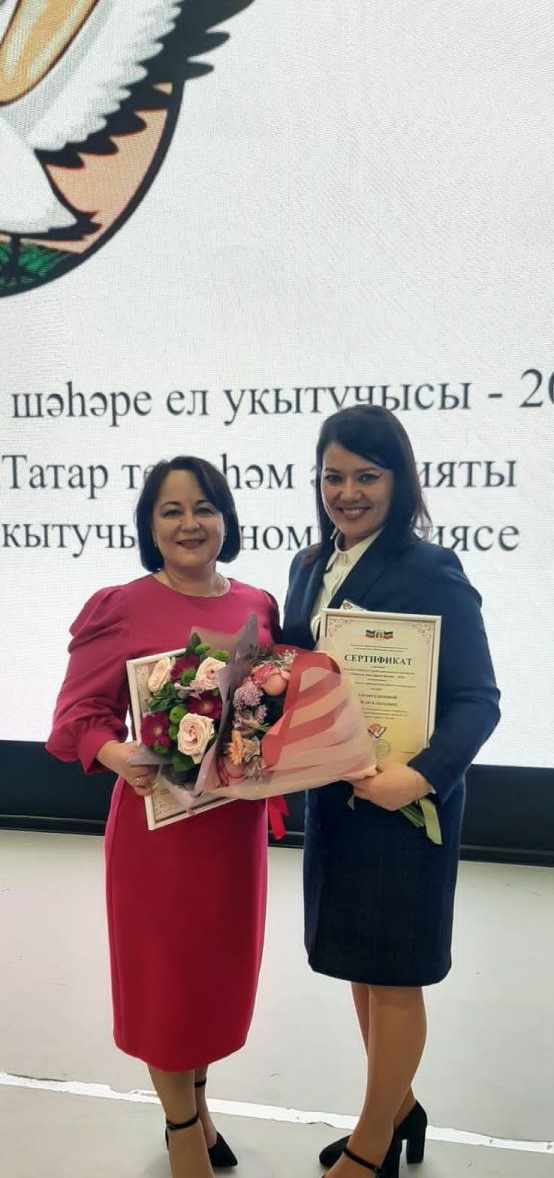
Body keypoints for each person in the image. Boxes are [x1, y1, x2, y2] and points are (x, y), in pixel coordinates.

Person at [282, 405, 500, 1178]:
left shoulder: (430, 568)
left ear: (399, 480)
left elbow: (478, 700)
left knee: (397, 975)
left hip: (406, 810)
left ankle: (371, 1148)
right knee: (359, 964)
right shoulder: (309, 564)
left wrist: (419, 776)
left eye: (366, 476)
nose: (347, 492)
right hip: (334, 803)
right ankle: (399, 1108)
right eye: (333, 476)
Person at [46, 456, 279, 1178]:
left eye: (203, 507)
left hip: (231, 831)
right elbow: (75, 718)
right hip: (158, 838)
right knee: (167, 986)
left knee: (211, 980)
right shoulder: (122, 607)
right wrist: (118, 753)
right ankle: (182, 1132)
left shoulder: (258, 605)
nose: (189, 523)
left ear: (226, 518)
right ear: (150, 526)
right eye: (171, 510)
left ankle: (201, 1111)